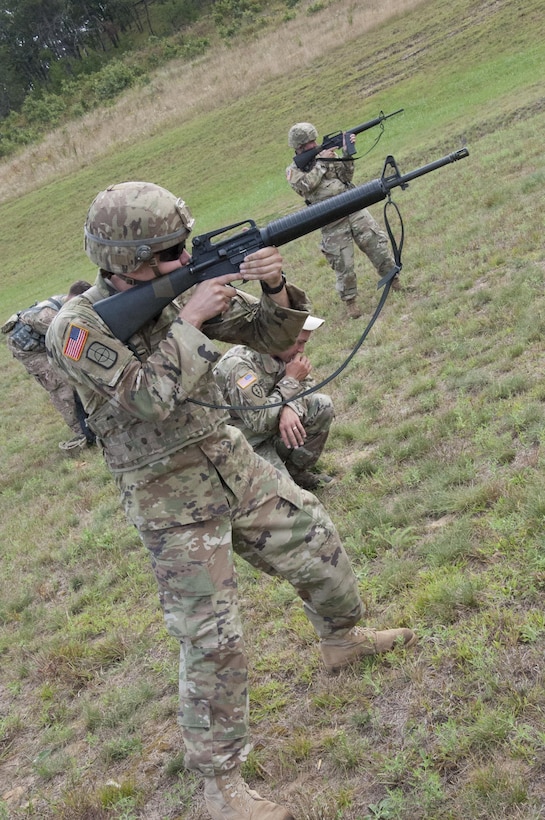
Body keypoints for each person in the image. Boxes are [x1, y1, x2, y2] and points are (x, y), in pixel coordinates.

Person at [46, 181, 416, 820]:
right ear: (125, 260)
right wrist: (188, 321)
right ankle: (222, 789)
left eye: (186, 248)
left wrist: (274, 288)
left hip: (227, 460)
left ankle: (343, 639)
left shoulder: (177, 286)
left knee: (314, 538)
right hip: (167, 499)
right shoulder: (76, 331)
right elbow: (147, 398)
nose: (183, 260)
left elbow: (273, 339)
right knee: (212, 640)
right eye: (170, 253)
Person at [286, 122, 400, 320]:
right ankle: (351, 304)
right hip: (329, 218)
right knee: (343, 264)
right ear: (300, 148)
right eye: (310, 144)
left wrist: (347, 154)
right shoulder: (294, 170)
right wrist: (322, 162)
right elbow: (306, 186)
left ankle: (395, 282)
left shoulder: (327, 154)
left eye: (315, 141)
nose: (314, 146)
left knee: (377, 245)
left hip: (353, 207)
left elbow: (347, 176)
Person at [214, 314, 335, 491]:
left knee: (321, 405)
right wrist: (291, 381)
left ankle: (296, 473)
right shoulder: (239, 366)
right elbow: (259, 421)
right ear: (279, 336)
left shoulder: (283, 353)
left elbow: (307, 385)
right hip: (245, 445)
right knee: (289, 499)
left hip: (271, 431)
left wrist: (290, 407)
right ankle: (282, 483)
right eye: (299, 342)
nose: (301, 350)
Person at [2, 280, 95, 451]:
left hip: (46, 341)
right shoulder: (48, 317)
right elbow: (68, 340)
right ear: (75, 297)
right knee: (61, 386)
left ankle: (91, 418)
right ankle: (82, 431)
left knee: (75, 374)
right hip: (30, 351)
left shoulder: (66, 304)